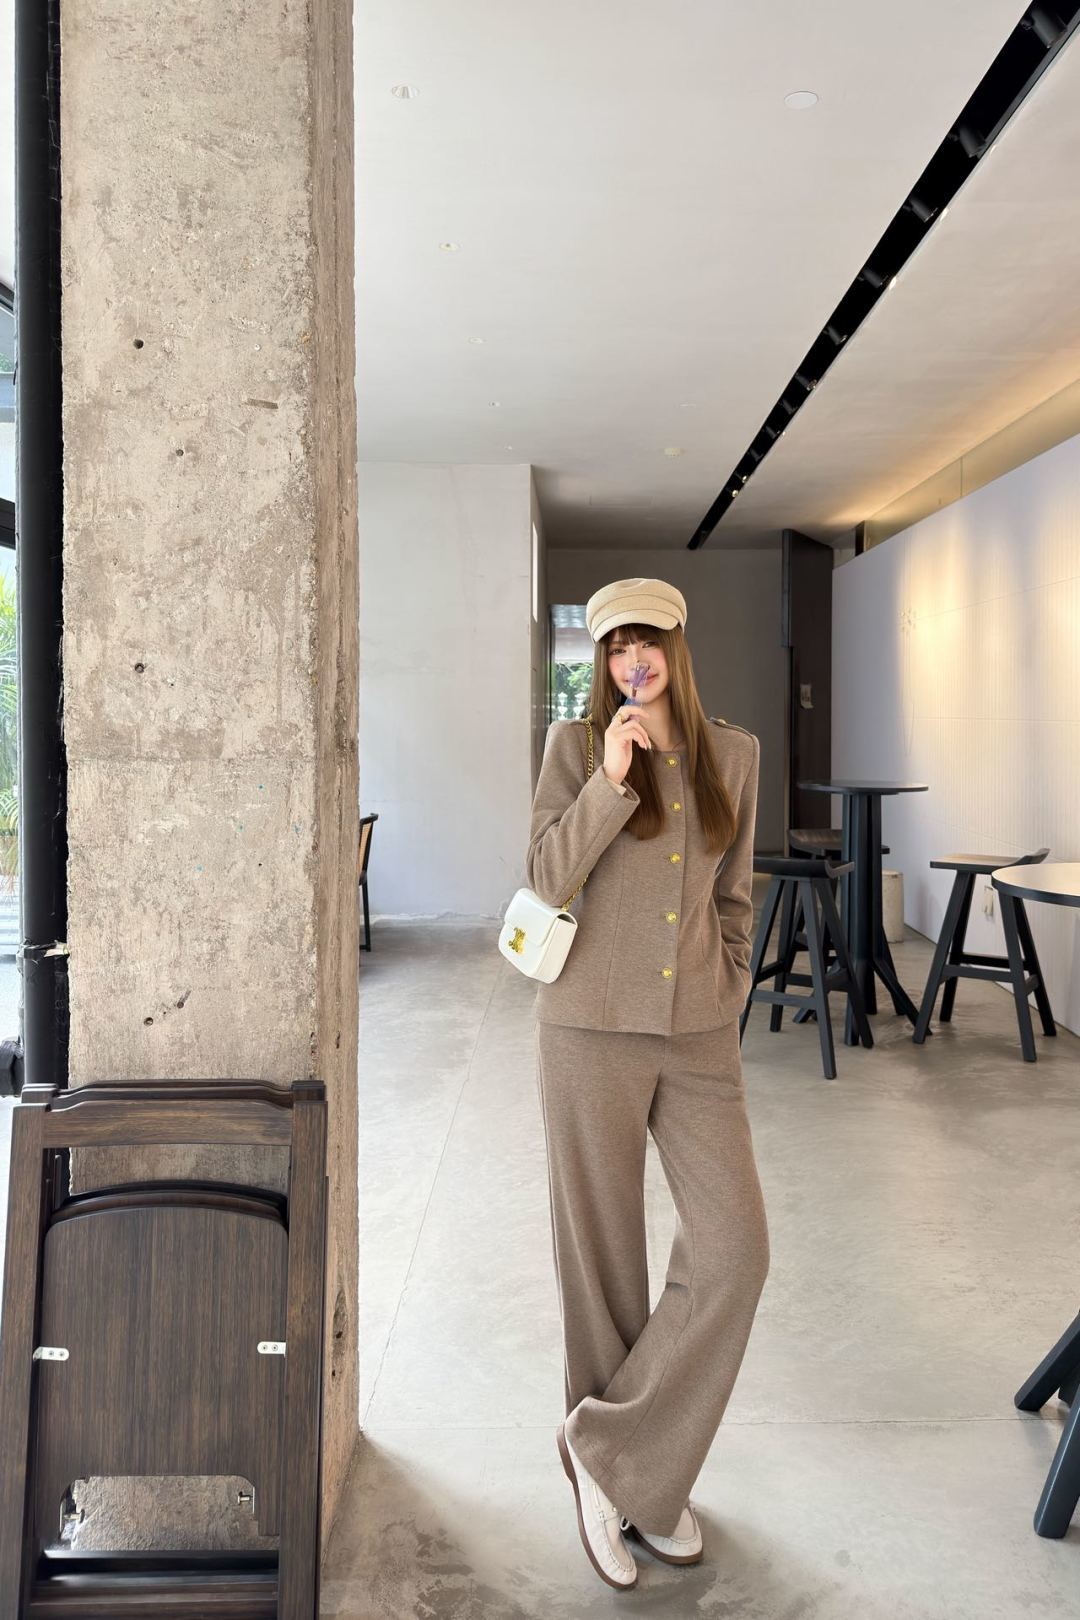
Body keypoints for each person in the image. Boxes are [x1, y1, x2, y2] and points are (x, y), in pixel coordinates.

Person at [526, 576, 770, 1590]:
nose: (634, 661)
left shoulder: (734, 754)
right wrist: (612, 780)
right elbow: (546, 877)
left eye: (649, 642)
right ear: (601, 658)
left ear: (677, 646)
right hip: (587, 1028)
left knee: (736, 1251)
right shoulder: (577, 747)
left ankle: (613, 1454)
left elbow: (734, 896)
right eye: (617, 645)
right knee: (604, 1265)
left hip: (699, 1033)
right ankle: (626, 1488)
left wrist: (731, 984)